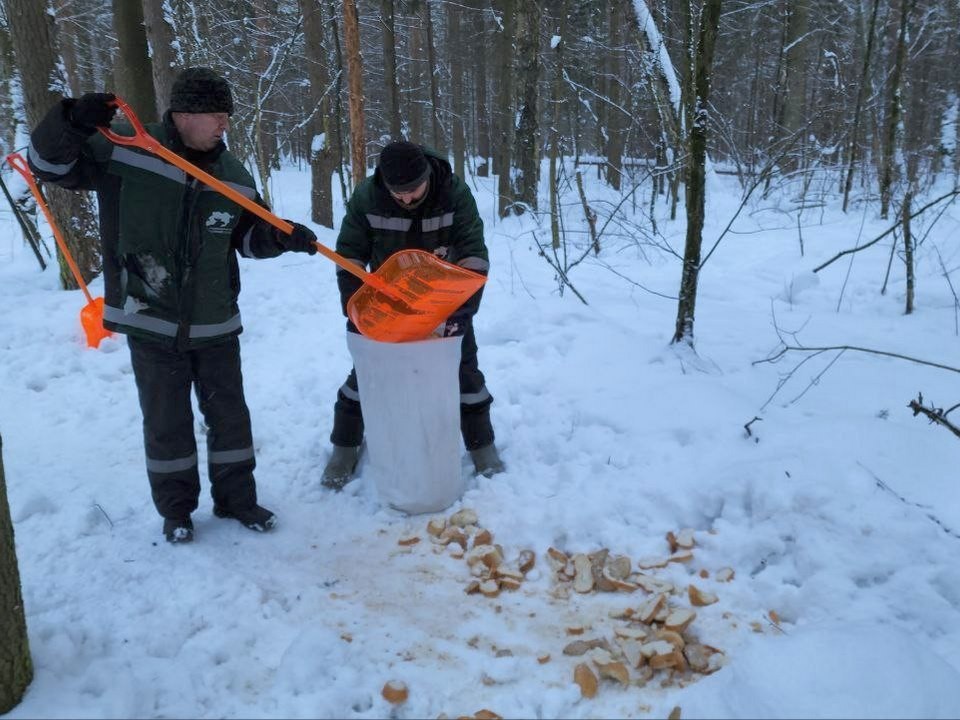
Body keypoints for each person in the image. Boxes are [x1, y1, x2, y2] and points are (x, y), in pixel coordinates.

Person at [28, 67, 319, 543]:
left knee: (230, 418)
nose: (226, 124)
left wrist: (281, 238)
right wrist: (71, 121)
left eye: (227, 116)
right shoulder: (126, 151)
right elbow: (49, 164)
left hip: (214, 319)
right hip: (150, 313)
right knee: (167, 423)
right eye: (218, 115)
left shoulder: (234, 177)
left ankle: (238, 500)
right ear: (185, 115)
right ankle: (177, 511)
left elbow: (246, 238)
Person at [322, 140, 504, 490]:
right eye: (397, 192)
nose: (405, 198)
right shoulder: (367, 197)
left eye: (413, 190)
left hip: (443, 300)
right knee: (366, 374)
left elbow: (474, 255)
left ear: (426, 178)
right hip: (386, 302)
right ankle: (344, 448)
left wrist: (462, 314)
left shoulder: (453, 193)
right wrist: (356, 307)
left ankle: (483, 448)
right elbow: (350, 256)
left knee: (465, 373)